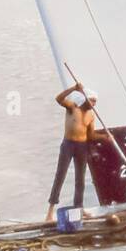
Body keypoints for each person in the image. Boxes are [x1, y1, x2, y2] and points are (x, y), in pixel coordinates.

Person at [45, 82, 111, 222]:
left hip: (82, 146)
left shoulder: (91, 115)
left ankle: (79, 208)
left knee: (80, 179)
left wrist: (105, 137)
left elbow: (91, 135)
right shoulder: (72, 107)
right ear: (85, 98)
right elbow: (58, 99)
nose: (94, 104)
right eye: (92, 100)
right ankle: (50, 212)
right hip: (68, 145)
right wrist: (74, 89)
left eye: (95, 101)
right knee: (60, 176)